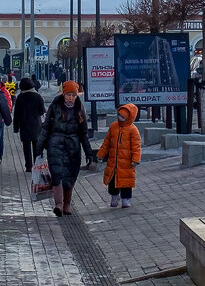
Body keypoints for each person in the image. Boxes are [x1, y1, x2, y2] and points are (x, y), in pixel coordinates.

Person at [36, 80, 93, 216]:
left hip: (73, 147)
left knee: (70, 176)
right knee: (57, 175)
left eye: (73, 95)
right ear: (63, 94)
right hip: (55, 145)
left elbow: (83, 133)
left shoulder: (79, 108)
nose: (70, 98)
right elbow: (46, 128)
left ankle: (67, 204)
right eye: (68, 95)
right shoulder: (55, 106)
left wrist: (88, 152)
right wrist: (39, 147)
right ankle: (58, 205)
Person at [97, 103, 141, 208]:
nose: (120, 118)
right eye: (119, 116)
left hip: (127, 162)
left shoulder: (133, 130)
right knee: (112, 182)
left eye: (123, 117)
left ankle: (126, 199)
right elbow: (107, 142)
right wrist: (101, 154)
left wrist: (136, 159)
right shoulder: (113, 126)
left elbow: (136, 146)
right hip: (113, 161)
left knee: (126, 183)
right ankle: (114, 196)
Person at [13, 76, 46, 172]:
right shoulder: (37, 96)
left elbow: (16, 114)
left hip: (24, 125)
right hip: (36, 125)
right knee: (37, 146)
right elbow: (41, 111)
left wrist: (16, 127)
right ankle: (37, 165)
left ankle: (28, 166)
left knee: (26, 146)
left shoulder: (20, 97)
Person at [0, 74, 13, 164]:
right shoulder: (3, 91)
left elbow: (9, 105)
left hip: (0, 119)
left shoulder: (4, 92)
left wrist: (5, 117)